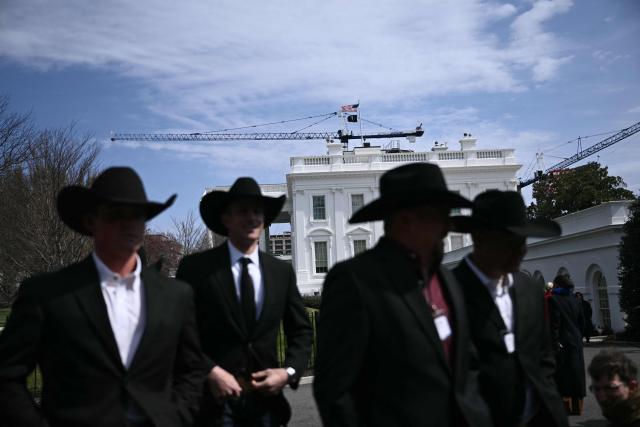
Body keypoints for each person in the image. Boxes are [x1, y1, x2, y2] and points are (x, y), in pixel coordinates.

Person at [0, 167, 206, 427]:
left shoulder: (177, 295)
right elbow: (6, 375)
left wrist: (176, 417)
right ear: (90, 221)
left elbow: (191, 370)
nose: (128, 223)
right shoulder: (46, 293)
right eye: (116, 214)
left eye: (137, 215)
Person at [313, 163, 492, 427]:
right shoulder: (356, 280)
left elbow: (467, 363)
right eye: (440, 215)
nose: (448, 227)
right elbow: (335, 392)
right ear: (407, 219)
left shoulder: (448, 280)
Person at [176, 177, 312, 427]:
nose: (251, 218)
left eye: (257, 212)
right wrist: (210, 371)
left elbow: (301, 331)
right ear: (226, 218)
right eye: (243, 211)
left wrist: (288, 372)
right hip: (213, 402)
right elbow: (181, 331)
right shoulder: (196, 268)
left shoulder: (281, 271)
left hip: (267, 404)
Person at [451, 190, 568, 427]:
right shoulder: (450, 292)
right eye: (511, 240)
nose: (521, 249)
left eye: (523, 240)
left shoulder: (530, 289)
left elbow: (544, 356)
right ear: (479, 238)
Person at [549, 274, 586, 415]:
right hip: (575, 340)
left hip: (562, 341)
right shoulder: (576, 299)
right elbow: (582, 322)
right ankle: (578, 406)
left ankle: (565, 406)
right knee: (577, 373)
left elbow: (555, 324)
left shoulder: (554, 300)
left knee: (563, 374)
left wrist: (554, 341)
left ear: (558, 285)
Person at [588, 350, 640, 426]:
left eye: (610, 388)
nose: (602, 397)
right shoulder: (622, 415)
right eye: (596, 389)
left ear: (632, 386)